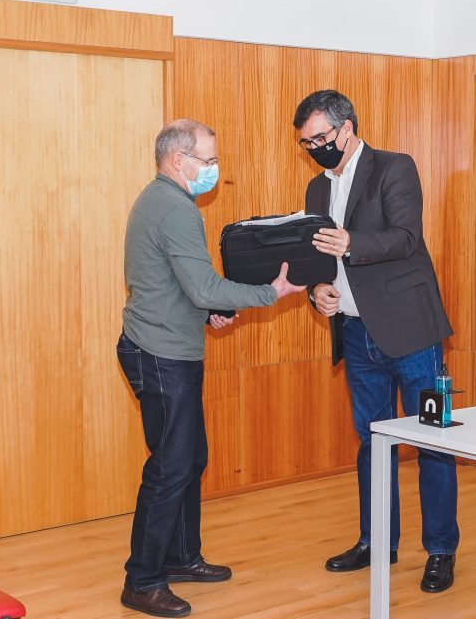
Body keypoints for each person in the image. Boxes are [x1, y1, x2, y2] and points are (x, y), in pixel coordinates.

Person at [117, 118, 303, 618]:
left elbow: (179, 284)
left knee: (189, 458)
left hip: (169, 347)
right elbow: (202, 286)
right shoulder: (173, 207)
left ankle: (179, 558)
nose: (214, 169)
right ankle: (143, 581)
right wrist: (271, 293)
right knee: (170, 466)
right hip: (160, 352)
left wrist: (208, 310)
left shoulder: (167, 201)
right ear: (179, 160)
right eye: (208, 159)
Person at [294, 90, 459, 593]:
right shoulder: (316, 190)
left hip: (413, 335)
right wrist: (318, 291)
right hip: (356, 335)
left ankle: (440, 551)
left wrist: (353, 244)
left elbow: (407, 237)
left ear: (347, 129)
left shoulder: (394, 167)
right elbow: (318, 264)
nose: (314, 148)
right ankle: (376, 541)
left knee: (433, 442)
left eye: (321, 138)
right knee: (372, 444)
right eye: (306, 143)